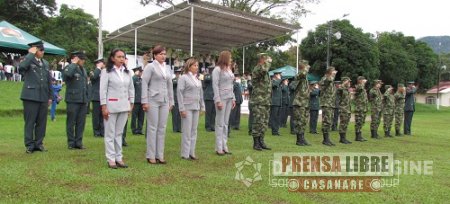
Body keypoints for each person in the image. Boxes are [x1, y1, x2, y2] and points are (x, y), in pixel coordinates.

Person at [100, 48, 134, 169]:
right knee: (110, 133)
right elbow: (103, 90)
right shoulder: (106, 72)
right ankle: (111, 158)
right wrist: (104, 106)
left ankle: (119, 157)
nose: (121, 59)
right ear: (112, 58)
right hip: (111, 106)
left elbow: (131, 88)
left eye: (123, 57)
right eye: (119, 57)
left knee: (119, 133)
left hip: (124, 106)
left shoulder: (127, 72)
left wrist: (132, 103)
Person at [142, 45, 174, 164]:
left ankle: (160, 155)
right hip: (153, 99)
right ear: (155, 55)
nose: (163, 56)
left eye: (164, 54)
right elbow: (144, 83)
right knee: (152, 127)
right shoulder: (150, 67)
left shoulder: (167, 68)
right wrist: (144, 101)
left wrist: (172, 101)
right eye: (161, 54)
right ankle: (150, 155)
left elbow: (170, 84)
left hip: (164, 100)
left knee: (162, 128)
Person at [19, 41, 53, 153]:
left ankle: (39, 143)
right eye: (40, 50)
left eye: (43, 50)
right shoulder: (28, 60)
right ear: (34, 50)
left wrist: (50, 96)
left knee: (41, 122)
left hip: (43, 96)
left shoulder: (45, 63)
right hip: (30, 96)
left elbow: (49, 81)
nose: (43, 52)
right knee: (30, 121)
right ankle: (29, 145)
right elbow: (21, 68)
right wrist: (30, 54)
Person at [177, 58, 205, 160]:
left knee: (194, 130)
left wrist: (202, 106)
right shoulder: (183, 78)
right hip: (187, 107)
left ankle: (192, 152)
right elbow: (179, 93)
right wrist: (181, 108)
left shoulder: (198, 79)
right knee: (187, 131)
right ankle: (185, 154)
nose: (197, 68)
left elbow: (201, 93)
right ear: (189, 66)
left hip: (196, 107)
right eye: (194, 66)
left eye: (197, 66)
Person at [63, 51, 90, 150]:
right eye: (81, 59)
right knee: (71, 122)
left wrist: (86, 98)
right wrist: (73, 64)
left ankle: (79, 142)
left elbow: (85, 85)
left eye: (83, 59)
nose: (83, 61)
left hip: (82, 100)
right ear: (76, 59)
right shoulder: (69, 67)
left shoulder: (83, 69)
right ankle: (71, 142)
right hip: (72, 99)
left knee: (81, 122)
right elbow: (67, 76)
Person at [212, 50, 236, 155]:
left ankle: (225, 146)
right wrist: (218, 100)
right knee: (220, 123)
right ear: (225, 58)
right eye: (230, 58)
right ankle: (218, 147)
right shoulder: (217, 70)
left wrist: (233, 98)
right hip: (221, 98)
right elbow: (215, 85)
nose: (231, 59)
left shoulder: (229, 70)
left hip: (229, 97)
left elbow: (231, 85)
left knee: (226, 123)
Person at [250, 53, 272, 151]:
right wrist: (268, 63)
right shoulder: (258, 69)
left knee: (264, 122)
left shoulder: (265, 71)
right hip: (258, 100)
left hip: (265, 100)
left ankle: (261, 141)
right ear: (262, 59)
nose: (268, 60)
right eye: (266, 59)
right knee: (258, 121)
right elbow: (264, 70)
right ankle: (256, 143)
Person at [292, 64, 311, 146]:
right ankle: (299, 140)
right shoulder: (299, 75)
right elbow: (302, 74)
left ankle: (302, 138)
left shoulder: (305, 78)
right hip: (299, 102)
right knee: (299, 121)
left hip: (305, 103)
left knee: (304, 121)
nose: (308, 68)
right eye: (306, 66)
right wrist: (305, 68)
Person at [319, 67, 338, 146]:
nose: (335, 73)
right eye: (333, 71)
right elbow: (325, 82)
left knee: (329, 121)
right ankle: (325, 140)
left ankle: (327, 139)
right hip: (326, 103)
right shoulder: (325, 79)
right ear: (329, 72)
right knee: (326, 121)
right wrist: (331, 75)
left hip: (330, 103)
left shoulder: (330, 80)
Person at [90, 58, 105, 137]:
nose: (103, 64)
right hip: (96, 97)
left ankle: (102, 131)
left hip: (103, 96)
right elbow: (94, 77)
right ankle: (96, 131)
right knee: (96, 115)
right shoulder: (94, 71)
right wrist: (98, 68)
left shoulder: (104, 72)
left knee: (102, 115)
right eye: (102, 63)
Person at [337, 77, 352, 144]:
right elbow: (339, 89)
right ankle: (342, 138)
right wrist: (344, 83)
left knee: (346, 123)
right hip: (343, 109)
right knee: (343, 123)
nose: (349, 83)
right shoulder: (341, 88)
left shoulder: (346, 90)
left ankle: (344, 138)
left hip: (347, 109)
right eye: (348, 82)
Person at [131, 66, 145, 135]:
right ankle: (134, 130)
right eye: (140, 71)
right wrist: (135, 75)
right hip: (135, 101)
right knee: (134, 116)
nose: (141, 73)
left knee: (141, 116)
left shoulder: (141, 79)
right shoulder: (134, 78)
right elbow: (131, 85)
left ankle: (140, 129)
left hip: (141, 101)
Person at [354, 76, 368, 142]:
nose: (364, 81)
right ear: (359, 80)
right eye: (362, 80)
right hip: (359, 108)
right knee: (358, 122)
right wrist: (362, 83)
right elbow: (360, 88)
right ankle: (357, 137)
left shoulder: (363, 88)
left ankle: (360, 136)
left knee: (361, 122)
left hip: (363, 108)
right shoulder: (358, 86)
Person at [203, 66, 216, 132]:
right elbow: (207, 80)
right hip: (208, 97)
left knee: (214, 112)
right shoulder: (207, 76)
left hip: (214, 97)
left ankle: (212, 125)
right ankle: (208, 126)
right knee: (208, 113)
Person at [270, 71, 282, 136]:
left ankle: (276, 130)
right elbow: (274, 85)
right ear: (276, 75)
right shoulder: (273, 81)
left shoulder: (278, 82)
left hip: (278, 102)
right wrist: (279, 79)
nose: (280, 76)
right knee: (274, 117)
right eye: (279, 75)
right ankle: (274, 131)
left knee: (277, 117)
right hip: (274, 102)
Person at [172, 68, 182, 133]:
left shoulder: (181, 80)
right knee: (175, 115)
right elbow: (174, 84)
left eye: (179, 73)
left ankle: (179, 128)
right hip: (175, 99)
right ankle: (175, 128)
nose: (178, 74)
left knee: (179, 115)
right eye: (177, 73)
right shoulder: (174, 80)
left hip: (180, 99)